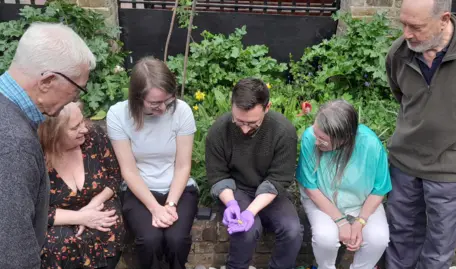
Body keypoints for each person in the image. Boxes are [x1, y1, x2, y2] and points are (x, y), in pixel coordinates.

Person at [384, 0, 456, 268]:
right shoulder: (399, 53)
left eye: (415, 26)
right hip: (405, 163)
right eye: (402, 24)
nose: (406, 33)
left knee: (438, 248)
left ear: (444, 19)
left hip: (452, 167)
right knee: (400, 238)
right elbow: (401, 96)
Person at [0, 22, 95, 268]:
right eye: (76, 89)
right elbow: (13, 251)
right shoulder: (13, 143)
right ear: (47, 81)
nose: (76, 98)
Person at [106, 56, 199, 269]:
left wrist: (170, 204)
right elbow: (128, 171)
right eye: (155, 103)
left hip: (179, 189)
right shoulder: (118, 115)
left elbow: (183, 165)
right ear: (138, 98)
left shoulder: (182, 111)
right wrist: (154, 208)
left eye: (168, 100)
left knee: (177, 240)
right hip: (139, 190)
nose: (164, 108)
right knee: (149, 240)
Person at [206, 78, 303, 269]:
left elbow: (278, 180)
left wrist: (251, 211)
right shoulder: (218, 131)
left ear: (267, 108)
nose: (243, 129)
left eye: (252, 124)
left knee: (293, 231)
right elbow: (218, 176)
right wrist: (231, 203)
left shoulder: (283, 131)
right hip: (237, 188)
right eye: (239, 121)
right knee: (247, 230)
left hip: (270, 191)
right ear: (232, 105)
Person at [296, 99, 391, 269]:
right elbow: (310, 188)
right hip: (321, 199)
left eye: (323, 140)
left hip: (361, 201)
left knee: (379, 238)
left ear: (344, 139)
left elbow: (379, 189)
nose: (316, 141)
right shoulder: (310, 137)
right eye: (316, 134)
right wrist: (341, 221)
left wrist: (360, 222)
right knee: (325, 238)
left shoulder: (371, 145)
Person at [38, 102, 125, 269]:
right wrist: (82, 217)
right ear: (53, 134)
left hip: (97, 205)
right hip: (57, 219)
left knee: (108, 224)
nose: (84, 129)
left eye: (82, 121)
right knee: (58, 243)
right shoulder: (36, 155)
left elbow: (114, 176)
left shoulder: (94, 137)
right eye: (75, 127)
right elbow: (33, 208)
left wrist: (93, 205)